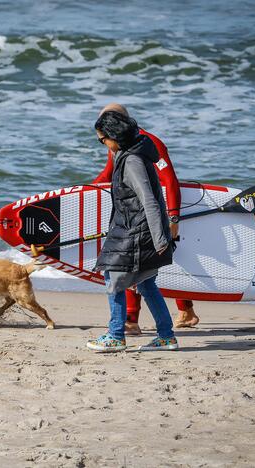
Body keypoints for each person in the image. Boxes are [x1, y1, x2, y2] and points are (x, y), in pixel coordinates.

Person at [92, 103, 199, 332]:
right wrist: (83, 191)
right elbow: (109, 173)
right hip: (138, 216)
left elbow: (169, 180)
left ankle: (127, 323)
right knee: (145, 274)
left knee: (129, 270)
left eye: (102, 138)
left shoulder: (145, 145)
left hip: (151, 215)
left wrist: (173, 218)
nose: (103, 142)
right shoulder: (121, 146)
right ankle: (173, 321)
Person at [86, 111, 178, 352]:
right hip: (133, 228)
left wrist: (160, 238)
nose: (103, 144)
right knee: (146, 283)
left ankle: (116, 335)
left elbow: (149, 200)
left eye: (102, 139)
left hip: (136, 231)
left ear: (115, 136)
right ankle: (166, 336)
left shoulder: (132, 161)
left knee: (113, 278)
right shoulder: (130, 154)